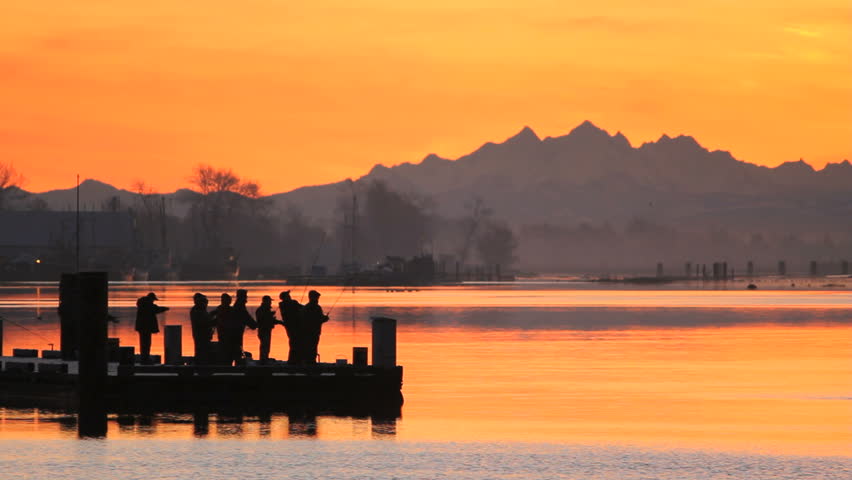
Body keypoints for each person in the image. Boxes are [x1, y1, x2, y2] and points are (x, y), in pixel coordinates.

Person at [135, 292, 169, 364]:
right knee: (146, 343)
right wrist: (164, 309)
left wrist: (162, 309)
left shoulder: (142, 304)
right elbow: (155, 309)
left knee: (144, 343)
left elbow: (154, 308)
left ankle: (144, 358)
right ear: (150, 299)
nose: (153, 301)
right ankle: (145, 359)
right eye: (153, 299)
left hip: (141, 327)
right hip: (146, 327)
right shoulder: (148, 305)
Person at [228, 289, 258, 365]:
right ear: (242, 297)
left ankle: (235, 367)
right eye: (245, 296)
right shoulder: (240, 306)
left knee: (236, 350)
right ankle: (237, 368)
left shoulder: (238, 305)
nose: (246, 297)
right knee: (237, 350)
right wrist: (254, 324)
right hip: (236, 333)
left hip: (235, 332)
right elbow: (246, 317)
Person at [301, 290, 329, 365]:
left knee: (311, 346)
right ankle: (310, 362)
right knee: (312, 347)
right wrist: (324, 319)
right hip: (312, 331)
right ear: (311, 297)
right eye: (316, 297)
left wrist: (323, 319)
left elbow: (317, 318)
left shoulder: (307, 307)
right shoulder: (315, 307)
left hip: (310, 331)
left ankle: (309, 361)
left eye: (318, 297)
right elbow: (316, 319)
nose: (317, 299)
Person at [278, 290, 303, 364]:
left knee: (293, 342)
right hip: (294, 326)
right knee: (295, 342)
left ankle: (294, 359)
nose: (290, 297)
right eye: (288, 296)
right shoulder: (292, 303)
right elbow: (302, 307)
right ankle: (294, 360)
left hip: (288, 326)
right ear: (285, 297)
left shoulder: (282, 304)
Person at [255, 295, 282, 364]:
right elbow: (263, 320)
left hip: (266, 330)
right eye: (269, 301)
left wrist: (271, 316)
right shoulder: (261, 310)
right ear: (266, 301)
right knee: (265, 345)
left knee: (266, 345)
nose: (270, 303)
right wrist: (270, 316)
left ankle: (264, 358)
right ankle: (263, 360)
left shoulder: (264, 309)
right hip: (263, 330)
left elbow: (268, 319)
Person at [190, 293, 215, 365]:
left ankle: (201, 367)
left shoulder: (200, 310)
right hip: (201, 336)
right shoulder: (197, 311)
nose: (206, 304)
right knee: (202, 353)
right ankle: (201, 368)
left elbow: (206, 319)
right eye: (204, 302)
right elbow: (204, 323)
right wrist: (216, 320)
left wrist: (213, 314)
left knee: (202, 353)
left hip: (203, 336)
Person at [211, 293, 233, 364]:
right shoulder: (224, 309)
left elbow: (211, 318)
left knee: (226, 351)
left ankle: (226, 363)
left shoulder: (219, 309)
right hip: (225, 335)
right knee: (226, 351)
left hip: (226, 335)